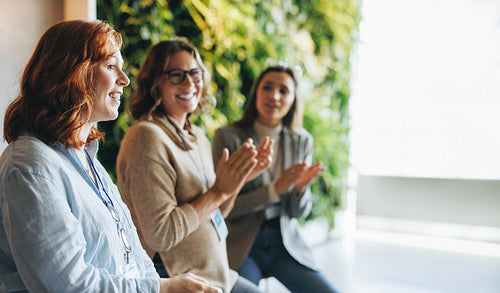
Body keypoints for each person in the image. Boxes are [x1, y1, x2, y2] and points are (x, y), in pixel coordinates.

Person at [0, 20, 221, 293]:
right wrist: (163, 289)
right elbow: (65, 285)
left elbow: (134, 257)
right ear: (72, 73)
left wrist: (160, 286)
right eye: (110, 66)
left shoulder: (85, 157)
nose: (125, 79)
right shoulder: (30, 166)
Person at [116, 39, 272, 293]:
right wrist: (218, 191)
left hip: (218, 274)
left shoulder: (196, 135)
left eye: (195, 73)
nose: (189, 83)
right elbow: (160, 235)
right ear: (155, 83)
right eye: (176, 75)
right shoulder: (146, 136)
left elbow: (216, 212)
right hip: (179, 279)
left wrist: (238, 179)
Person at [212, 65, 339, 293]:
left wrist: (299, 190)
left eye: (283, 90)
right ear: (256, 93)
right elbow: (220, 208)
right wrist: (275, 190)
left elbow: (299, 213)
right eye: (267, 87)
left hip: (285, 244)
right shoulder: (228, 136)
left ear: (293, 100)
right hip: (242, 244)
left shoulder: (301, 140)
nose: (274, 96)